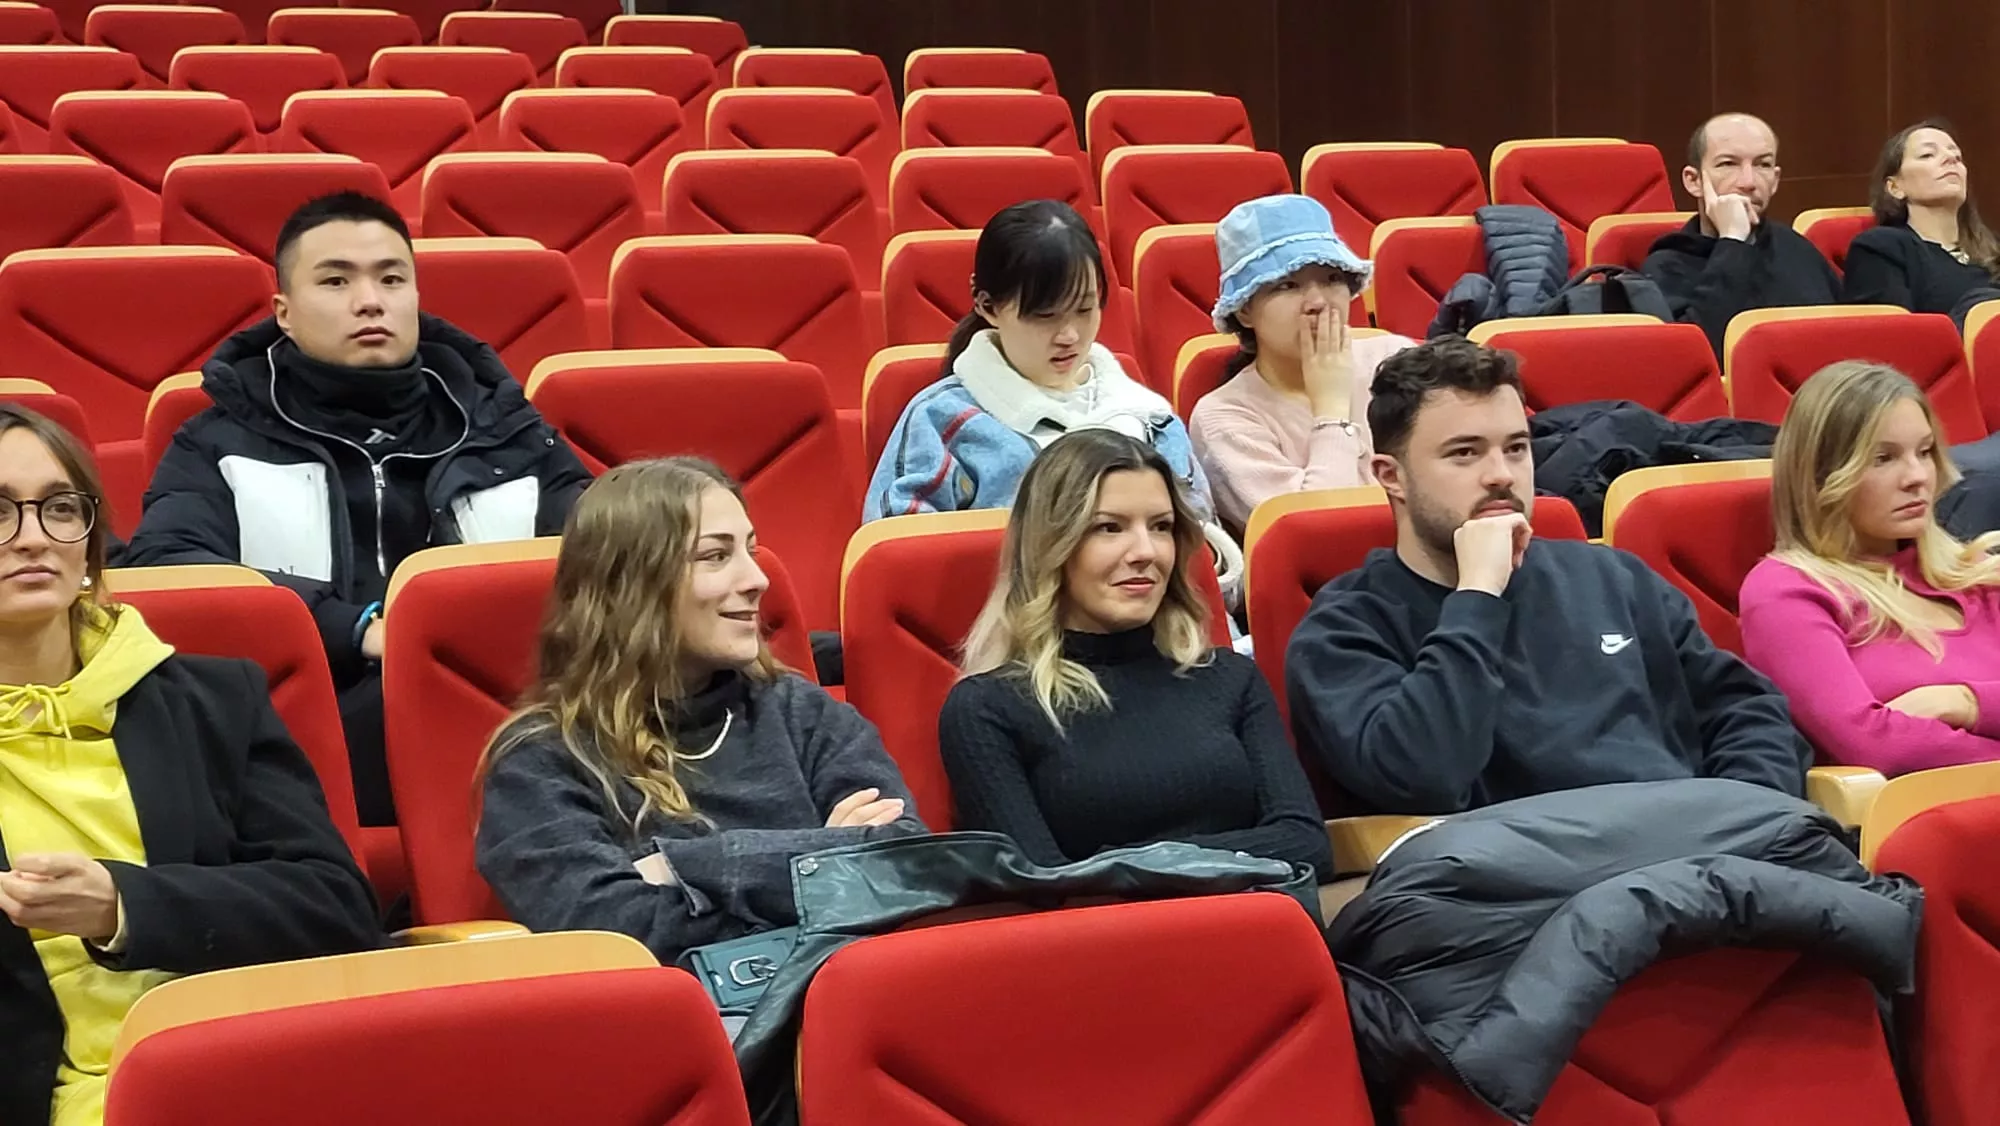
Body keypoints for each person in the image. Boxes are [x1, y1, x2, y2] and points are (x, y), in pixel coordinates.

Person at [126, 191, 593, 828]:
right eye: (336, 279)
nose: (370, 300)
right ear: (283, 314)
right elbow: (169, 568)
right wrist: (355, 627)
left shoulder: (503, 430)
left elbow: (612, 543)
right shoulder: (218, 440)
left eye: (391, 278)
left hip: (505, 726)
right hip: (288, 744)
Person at [0, 407, 378, 1126]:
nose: (33, 538)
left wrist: (125, 908)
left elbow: (334, 908)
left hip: (240, 1072)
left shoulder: (214, 700)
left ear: (91, 547)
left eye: (58, 508)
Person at [1284, 336, 1807, 815]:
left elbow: (1747, 711)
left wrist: (1745, 815)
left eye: (1516, 448)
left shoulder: (1613, 576)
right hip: (1524, 886)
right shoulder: (1347, 625)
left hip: (1693, 853)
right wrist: (1478, 596)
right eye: (1464, 453)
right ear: (1391, 476)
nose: (1502, 475)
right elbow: (1423, 776)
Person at [475, 458, 925, 964]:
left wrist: (687, 866)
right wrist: (823, 854)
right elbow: (612, 930)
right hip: (673, 1027)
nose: (757, 579)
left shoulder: (802, 713)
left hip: (841, 1001)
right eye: (715, 556)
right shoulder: (542, 759)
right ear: (631, 586)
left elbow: (903, 859)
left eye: (751, 551)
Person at [938, 430, 1330, 879]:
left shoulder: (1230, 678)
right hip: (1106, 946)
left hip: (1260, 931)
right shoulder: (987, 709)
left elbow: (1305, 842)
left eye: (1161, 527)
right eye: (1109, 527)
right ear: (1052, 546)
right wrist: (1222, 861)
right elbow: (1044, 884)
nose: (1146, 552)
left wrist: (1124, 864)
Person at [865, 199, 1212, 523]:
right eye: (1045, 315)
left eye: (1085, 310)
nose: (1070, 335)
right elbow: (902, 552)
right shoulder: (942, 418)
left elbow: (1204, 544)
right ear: (988, 306)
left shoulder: (1150, 417)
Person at [1740, 362, 2000, 775]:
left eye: (1925, 451)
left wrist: (1964, 702)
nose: (1917, 477)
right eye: (1883, 458)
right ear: (1821, 477)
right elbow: (1873, 745)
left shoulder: (1978, 572)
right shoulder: (1787, 590)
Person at [1191, 194, 1413, 532]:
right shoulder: (1224, 418)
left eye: (1332, 279)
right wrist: (1331, 408)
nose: (1318, 303)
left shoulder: (1394, 358)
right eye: (1288, 285)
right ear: (1245, 310)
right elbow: (1325, 534)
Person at [1641, 113, 1842, 357]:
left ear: (1775, 180)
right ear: (1693, 181)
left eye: (1762, 165)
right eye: (1728, 164)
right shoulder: (1668, 263)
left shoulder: (1797, 249)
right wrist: (1733, 240)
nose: (1748, 182)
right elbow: (1699, 355)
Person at [1844, 120, 2000, 321]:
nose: (1950, 158)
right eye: (1927, 155)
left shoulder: (1994, 247)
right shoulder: (1881, 249)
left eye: (1957, 156)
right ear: (1895, 188)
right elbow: (1892, 336)